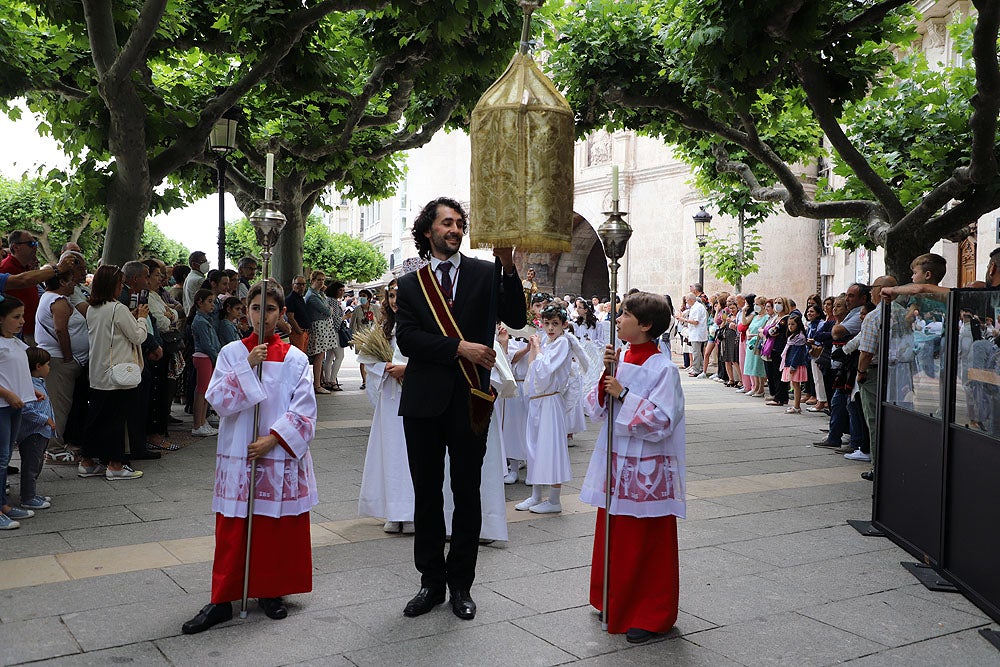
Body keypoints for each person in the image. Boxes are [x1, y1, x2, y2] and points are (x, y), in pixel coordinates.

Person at [394, 197, 526, 621]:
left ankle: (461, 585)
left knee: (466, 493)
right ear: (428, 230)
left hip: (471, 398)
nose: (454, 229)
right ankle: (430, 581)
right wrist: (459, 347)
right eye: (446, 223)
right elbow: (409, 340)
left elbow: (517, 317)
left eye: (459, 223)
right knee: (427, 494)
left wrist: (508, 266)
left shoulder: (485, 273)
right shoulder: (412, 284)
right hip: (423, 402)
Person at [182, 281, 318, 634]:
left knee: (273, 525)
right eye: (256, 308)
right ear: (246, 311)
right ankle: (222, 599)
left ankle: (270, 591)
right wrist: (247, 364)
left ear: (281, 314)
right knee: (234, 526)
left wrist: (274, 439)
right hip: (239, 453)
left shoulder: (296, 358)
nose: (262, 316)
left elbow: (304, 410)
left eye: (270, 309)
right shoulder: (230, 353)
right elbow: (219, 401)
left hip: (276, 454)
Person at [582, 291, 685, 644]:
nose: (618, 319)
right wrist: (605, 377)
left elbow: (662, 421)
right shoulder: (621, 357)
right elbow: (595, 410)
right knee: (615, 534)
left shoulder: (664, 369)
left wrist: (624, 394)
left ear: (645, 325)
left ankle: (651, 613)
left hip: (647, 470)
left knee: (645, 541)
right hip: (616, 463)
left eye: (625, 314)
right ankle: (612, 599)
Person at [78, 265, 149, 481]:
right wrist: (142, 318)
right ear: (114, 286)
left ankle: (87, 461)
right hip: (117, 373)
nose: (122, 288)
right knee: (116, 420)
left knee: (96, 418)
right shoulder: (118, 308)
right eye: (120, 284)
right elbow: (137, 336)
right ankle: (116, 465)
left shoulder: (92, 308)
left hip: (98, 371)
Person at [357, 280, 413, 533]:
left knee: (411, 454)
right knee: (390, 452)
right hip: (390, 398)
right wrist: (386, 369)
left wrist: (407, 371)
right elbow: (369, 360)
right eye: (390, 295)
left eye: (399, 295)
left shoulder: (420, 324)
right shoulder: (383, 328)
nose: (394, 300)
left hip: (414, 396)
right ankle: (392, 510)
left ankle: (411, 512)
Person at [515, 304, 573, 514]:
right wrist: (534, 348)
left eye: (555, 324)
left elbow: (546, 368)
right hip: (538, 400)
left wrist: (537, 348)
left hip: (550, 402)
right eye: (547, 323)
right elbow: (533, 368)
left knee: (551, 448)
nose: (550, 328)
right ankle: (536, 495)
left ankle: (554, 500)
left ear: (563, 325)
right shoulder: (548, 342)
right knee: (534, 447)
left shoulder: (562, 343)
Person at [35, 267, 90, 465]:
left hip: (61, 360)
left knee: (60, 404)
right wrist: (69, 357)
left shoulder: (52, 298)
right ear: (61, 282)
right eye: (71, 280)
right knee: (59, 406)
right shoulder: (57, 302)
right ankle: (54, 449)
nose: (74, 283)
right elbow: (60, 330)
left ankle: (55, 445)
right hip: (60, 361)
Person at [0, 297, 39, 529]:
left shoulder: (14, 342)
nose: (21, 321)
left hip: (14, 405)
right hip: (4, 406)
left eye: (22, 316)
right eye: (16, 317)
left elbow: (16, 372)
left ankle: (3, 504)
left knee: (5, 455)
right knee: (2, 457)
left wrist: (30, 390)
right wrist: (8, 394)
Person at [16, 346, 56, 511]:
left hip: (41, 431)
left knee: (37, 463)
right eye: (47, 364)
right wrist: (45, 419)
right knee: (31, 465)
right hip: (33, 432)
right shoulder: (28, 385)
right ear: (38, 366)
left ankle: (31, 493)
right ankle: (28, 497)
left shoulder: (38, 382)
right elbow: (26, 409)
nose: (49, 367)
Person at [189, 289, 221, 437]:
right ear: (199, 302)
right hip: (203, 356)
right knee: (202, 391)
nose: (212, 305)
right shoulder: (200, 321)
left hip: (207, 356)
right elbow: (207, 344)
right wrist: (217, 357)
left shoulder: (206, 319)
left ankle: (202, 422)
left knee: (205, 391)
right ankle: (198, 424)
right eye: (209, 301)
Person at [0, 231, 42, 345]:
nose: (35, 247)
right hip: (18, 334)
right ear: (15, 247)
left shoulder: (28, 267)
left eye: (36, 244)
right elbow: (22, 281)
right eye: (31, 244)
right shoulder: (5, 268)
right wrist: (58, 269)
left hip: (33, 330)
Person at [304, 271, 335, 394]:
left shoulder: (318, 294)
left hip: (323, 326)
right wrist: (329, 309)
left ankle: (318, 382)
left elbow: (327, 308)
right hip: (318, 326)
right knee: (319, 356)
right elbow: (327, 311)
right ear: (312, 280)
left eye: (323, 279)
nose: (321, 282)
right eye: (319, 280)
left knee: (321, 356)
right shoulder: (312, 295)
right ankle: (317, 384)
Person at [351, 289, 380, 390]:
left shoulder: (375, 308)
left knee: (373, 360)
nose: (361, 297)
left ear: (369, 297)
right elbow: (352, 325)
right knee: (362, 361)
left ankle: (374, 380)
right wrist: (352, 338)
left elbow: (380, 321)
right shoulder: (357, 310)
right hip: (361, 338)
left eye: (363, 295)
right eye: (360, 295)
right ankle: (364, 381)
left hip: (373, 337)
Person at [780, 313, 809, 413]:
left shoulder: (799, 337)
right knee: (794, 384)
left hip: (795, 364)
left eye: (793, 324)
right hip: (790, 362)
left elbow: (798, 353)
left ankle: (797, 406)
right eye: (789, 324)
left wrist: (793, 365)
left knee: (796, 385)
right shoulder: (792, 336)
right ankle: (795, 406)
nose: (790, 327)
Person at [321, 281, 347, 391]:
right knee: (340, 356)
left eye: (343, 290)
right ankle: (332, 380)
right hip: (335, 332)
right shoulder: (334, 302)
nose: (342, 292)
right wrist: (345, 317)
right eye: (340, 290)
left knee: (329, 357)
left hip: (327, 332)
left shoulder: (327, 300)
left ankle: (327, 380)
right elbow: (336, 319)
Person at [284, 276, 312, 354]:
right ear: (293, 285)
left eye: (303, 284)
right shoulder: (291, 299)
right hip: (298, 333)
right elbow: (290, 317)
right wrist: (299, 331)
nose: (301, 286)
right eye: (299, 284)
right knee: (298, 356)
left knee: (303, 357)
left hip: (304, 332)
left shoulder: (300, 298)